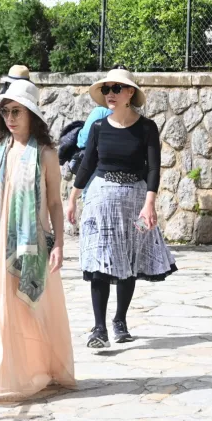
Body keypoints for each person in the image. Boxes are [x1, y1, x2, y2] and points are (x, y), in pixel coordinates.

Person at [0, 80, 75, 406]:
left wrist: (59, 243)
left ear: (31, 115)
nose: (9, 118)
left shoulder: (46, 155)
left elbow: (55, 203)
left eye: (16, 111)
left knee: (25, 311)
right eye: (5, 112)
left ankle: (35, 369)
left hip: (28, 244)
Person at [65, 66, 176, 349]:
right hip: (100, 202)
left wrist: (150, 203)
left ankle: (120, 321)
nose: (110, 94)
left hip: (135, 204)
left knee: (130, 259)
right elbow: (87, 164)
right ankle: (99, 328)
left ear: (130, 93)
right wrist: (73, 197)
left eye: (116, 88)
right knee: (99, 261)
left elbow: (153, 168)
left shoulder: (147, 128)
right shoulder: (99, 127)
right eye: (106, 89)